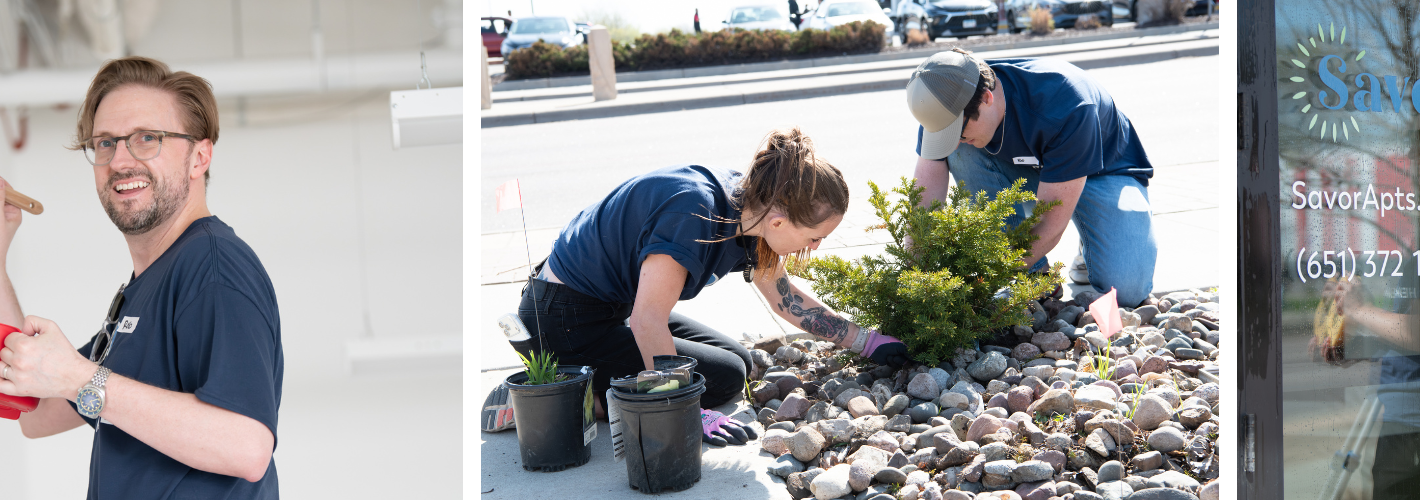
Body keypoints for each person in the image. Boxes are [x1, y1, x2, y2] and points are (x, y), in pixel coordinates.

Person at [0, 56, 281, 498]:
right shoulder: (144, 291)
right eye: (105, 143)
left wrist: (81, 378)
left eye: (147, 138)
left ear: (199, 157)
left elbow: (246, 446)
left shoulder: (211, 264)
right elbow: (35, 410)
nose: (119, 160)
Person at [481, 128, 911, 439]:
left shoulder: (752, 204)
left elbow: (785, 300)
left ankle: (579, 378)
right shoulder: (693, 214)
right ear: (780, 221)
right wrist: (681, 411)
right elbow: (648, 320)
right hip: (563, 319)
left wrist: (868, 342)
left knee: (736, 358)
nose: (815, 248)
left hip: (610, 309)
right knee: (721, 378)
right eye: (815, 237)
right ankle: (551, 396)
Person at [903, 48, 1156, 307]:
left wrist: (987, 280)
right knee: (961, 152)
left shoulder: (1067, 104)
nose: (954, 140)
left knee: (1127, 290)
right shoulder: (943, 104)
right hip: (1040, 172)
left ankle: (1092, 239)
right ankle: (1036, 276)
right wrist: (914, 276)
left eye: (958, 130)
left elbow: (1050, 223)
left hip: (1105, 172)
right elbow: (923, 203)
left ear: (987, 98)